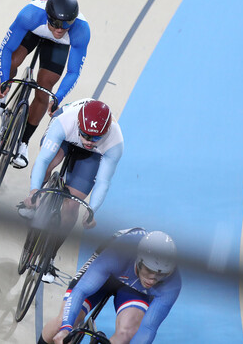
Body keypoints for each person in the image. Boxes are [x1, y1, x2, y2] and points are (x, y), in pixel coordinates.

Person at [19, 98, 123, 282]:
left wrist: (91, 210)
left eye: (96, 137)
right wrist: (34, 191)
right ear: (78, 125)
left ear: (106, 132)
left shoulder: (115, 142)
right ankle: (33, 202)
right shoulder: (65, 121)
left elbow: (103, 182)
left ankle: (48, 257)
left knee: (72, 206)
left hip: (92, 156)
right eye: (85, 135)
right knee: (50, 161)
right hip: (66, 137)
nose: (89, 141)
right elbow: (42, 160)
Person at [0, 0, 90, 167]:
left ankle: (24, 143)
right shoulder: (30, 15)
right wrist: (4, 79)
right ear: (48, 16)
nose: (59, 29)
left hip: (59, 46)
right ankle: (3, 91)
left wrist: (58, 97)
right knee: (14, 60)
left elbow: (73, 71)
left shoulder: (81, 30)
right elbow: (5, 49)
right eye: (56, 24)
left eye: (66, 25)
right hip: (34, 30)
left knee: (45, 89)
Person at [38, 228, 181, 344]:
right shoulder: (118, 253)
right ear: (139, 261)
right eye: (149, 270)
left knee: (127, 333)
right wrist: (65, 328)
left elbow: (148, 328)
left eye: (160, 275)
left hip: (133, 287)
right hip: (107, 272)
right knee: (63, 321)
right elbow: (81, 291)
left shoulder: (172, 282)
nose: (153, 279)